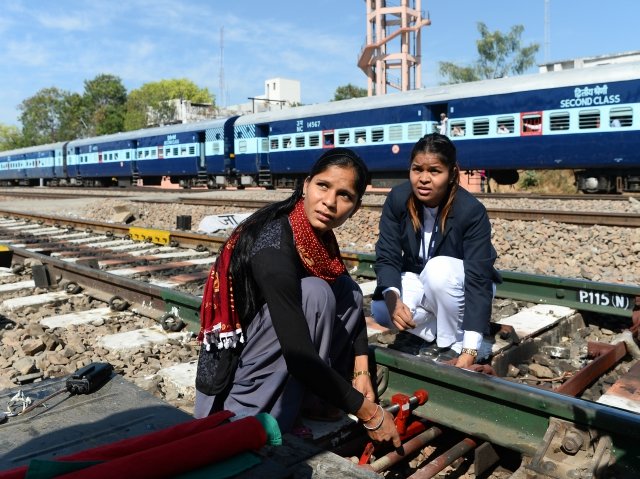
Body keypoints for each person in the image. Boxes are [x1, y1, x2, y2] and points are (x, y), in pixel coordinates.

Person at [194, 148, 400, 447]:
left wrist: (361, 369)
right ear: (305, 185)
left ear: (355, 208)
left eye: (345, 196)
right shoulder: (273, 243)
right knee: (315, 294)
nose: (330, 202)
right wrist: (370, 413)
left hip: (277, 350)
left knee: (347, 289)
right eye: (323, 186)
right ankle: (267, 414)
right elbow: (299, 355)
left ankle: (310, 400)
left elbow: (349, 302)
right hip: (235, 377)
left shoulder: (315, 236)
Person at [370, 133, 501, 368]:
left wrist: (470, 351)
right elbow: (387, 254)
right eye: (417, 169)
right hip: (424, 281)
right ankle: (436, 332)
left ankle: (455, 342)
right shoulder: (398, 200)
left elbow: (478, 278)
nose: (423, 179)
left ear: (452, 173)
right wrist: (392, 296)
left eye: (434, 171)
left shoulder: (471, 211)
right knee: (380, 308)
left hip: (463, 282)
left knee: (437, 269)